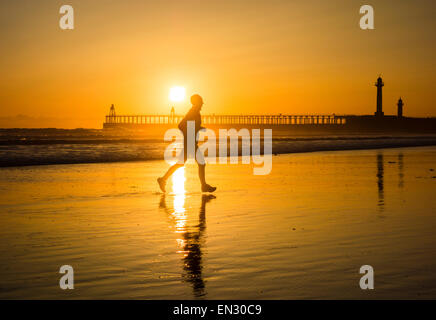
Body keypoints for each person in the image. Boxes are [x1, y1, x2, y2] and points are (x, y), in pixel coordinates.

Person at [157, 94, 216, 193]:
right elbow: (180, 125)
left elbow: (190, 125)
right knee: (201, 163)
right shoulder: (193, 112)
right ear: (196, 103)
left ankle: (163, 179)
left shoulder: (195, 112)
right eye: (201, 102)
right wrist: (190, 133)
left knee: (182, 163)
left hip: (190, 141)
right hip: (190, 142)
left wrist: (198, 128)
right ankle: (203, 186)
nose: (202, 104)